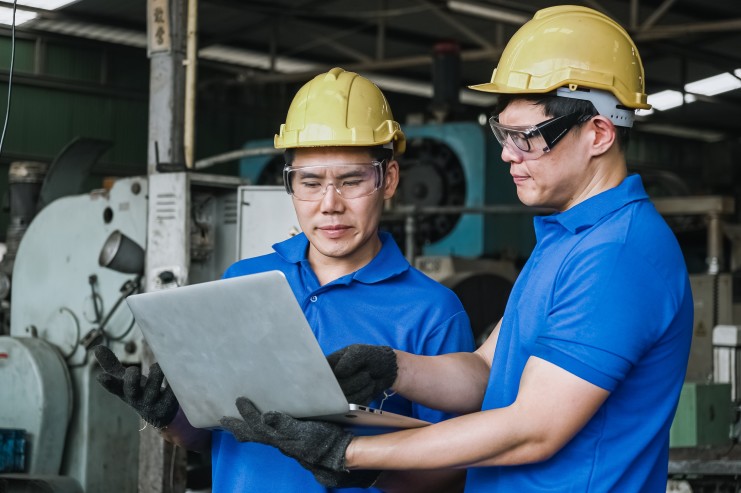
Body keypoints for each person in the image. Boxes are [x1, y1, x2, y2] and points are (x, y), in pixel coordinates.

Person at [217, 6, 694, 492]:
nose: (508, 154)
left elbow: (534, 430)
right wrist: (393, 367)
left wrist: (352, 453)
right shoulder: (567, 241)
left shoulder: (617, 256)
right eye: (504, 134)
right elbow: (485, 373)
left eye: (526, 138)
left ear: (598, 133)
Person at [94, 67, 475, 493]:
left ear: (388, 179)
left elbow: (457, 467)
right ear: (289, 184)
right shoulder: (243, 282)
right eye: (309, 183)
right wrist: (168, 418)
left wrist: (359, 463)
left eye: (351, 181)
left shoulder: (432, 311)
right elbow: (214, 437)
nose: (329, 205)